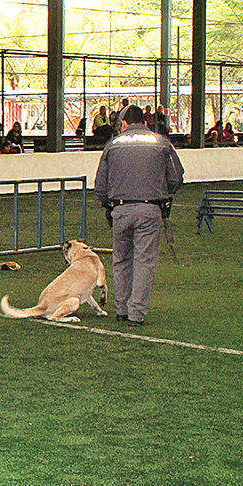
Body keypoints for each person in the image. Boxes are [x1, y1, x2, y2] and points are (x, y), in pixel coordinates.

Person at [93, 104, 184, 327]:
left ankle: (121, 308)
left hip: (120, 210)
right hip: (149, 209)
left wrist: (107, 205)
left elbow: (100, 185)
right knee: (144, 261)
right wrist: (163, 192)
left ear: (123, 123)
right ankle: (136, 313)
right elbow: (176, 177)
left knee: (121, 260)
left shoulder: (112, 145)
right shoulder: (161, 142)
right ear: (144, 122)